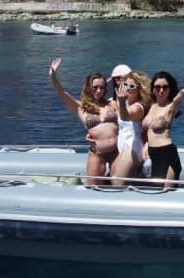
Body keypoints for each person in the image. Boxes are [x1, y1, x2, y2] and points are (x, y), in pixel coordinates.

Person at [49, 57, 119, 186]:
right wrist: (53, 76)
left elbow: (128, 121)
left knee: (118, 185)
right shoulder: (81, 108)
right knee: (93, 187)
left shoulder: (112, 104)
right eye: (95, 87)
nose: (99, 90)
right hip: (97, 153)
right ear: (88, 88)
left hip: (116, 152)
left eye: (102, 87)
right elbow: (62, 93)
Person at [142, 71, 184, 187]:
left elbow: (176, 102)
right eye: (157, 87)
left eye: (165, 87)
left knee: (166, 192)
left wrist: (182, 94)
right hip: (153, 154)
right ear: (153, 89)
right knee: (156, 190)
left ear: (170, 89)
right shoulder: (151, 106)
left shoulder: (170, 107)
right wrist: (146, 144)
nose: (161, 90)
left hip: (167, 153)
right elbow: (147, 130)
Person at [110, 69, 151, 185]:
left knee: (118, 184)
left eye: (132, 86)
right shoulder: (125, 102)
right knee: (115, 178)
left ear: (139, 90)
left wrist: (122, 103)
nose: (127, 88)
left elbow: (125, 117)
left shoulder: (138, 107)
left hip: (132, 146)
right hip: (124, 144)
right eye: (125, 84)